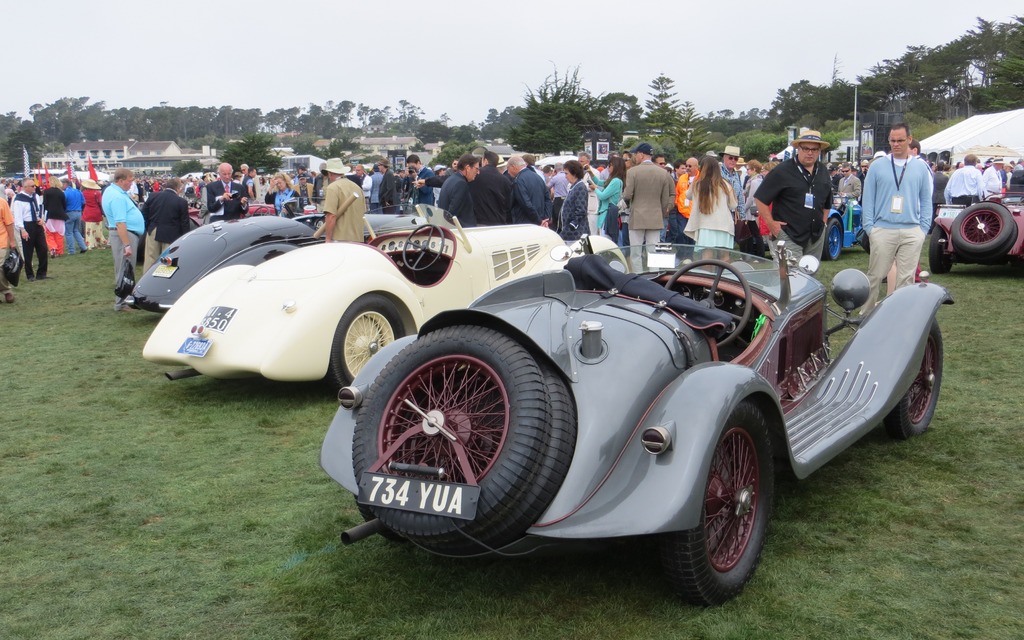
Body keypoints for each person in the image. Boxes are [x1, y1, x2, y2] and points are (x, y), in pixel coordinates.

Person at [860, 123, 932, 312]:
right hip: (883, 229)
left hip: (912, 230)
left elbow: (926, 199)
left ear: (909, 140)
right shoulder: (877, 166)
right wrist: (870, 229)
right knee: (875, 275)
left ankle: (899, 316)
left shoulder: (920, 167)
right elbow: (868, 200)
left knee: (906, 278)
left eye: (900, 140)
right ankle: (864, 315)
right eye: (892, 140)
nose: (896, 144)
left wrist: (923, 229)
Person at [754, 130, 833, 260]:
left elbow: (827, 201)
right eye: (806, 148)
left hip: (815, 237)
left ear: (819, 151)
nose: (810, 152)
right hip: (788, 235)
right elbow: (760, 198)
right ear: (798, 149)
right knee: (790, 278)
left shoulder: (823, 171)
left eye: (814, 149)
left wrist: (823, 224)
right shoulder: (782, 171)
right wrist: (771, 224)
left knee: (809, 277)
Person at [102, 168, 146, 311]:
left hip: (125, 233)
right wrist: (127, 244)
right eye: (129, 180)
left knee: (124, 267)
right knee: (125, 268)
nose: (131, 183)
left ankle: (125, 299)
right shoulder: (117, 197)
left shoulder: (113, 192)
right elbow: (120, 222)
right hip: (125, 234)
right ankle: (122, 302)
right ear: (121, 180)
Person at [622, 142, 676, 247]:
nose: (635, 156)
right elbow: (670, 194)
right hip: (655, 217)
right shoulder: (663, 173)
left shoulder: (632, 172)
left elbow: (627, 195)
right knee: (652, 251)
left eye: (636, 154)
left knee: (635, 251)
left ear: (641, 155)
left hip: (637, 217)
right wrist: (666, 209)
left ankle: (637, 265)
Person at [684, 156, 738, 249]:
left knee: (707, 256)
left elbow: (688, 195)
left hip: (705, 225)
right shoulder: (725, 184)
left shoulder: (697, 184)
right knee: (724, 257)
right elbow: (733, 205)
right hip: (723, 224)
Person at [141, 177, 190, 272]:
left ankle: (147, 282)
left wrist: (149, 227)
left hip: (154, 230)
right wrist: (184, 238)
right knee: (168, 261)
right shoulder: (181, 202)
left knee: (150, 258)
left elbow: (144, 213)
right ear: (178, 188)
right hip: (171, 233)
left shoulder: (153, 196)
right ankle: (164, 282)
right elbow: (184, 223)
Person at [321, 158, 367, 243]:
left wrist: (328, 239)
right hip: (358, 238)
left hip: (340, 239)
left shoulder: (332, 187)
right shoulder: (357, 188)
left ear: (329, 173)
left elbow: (331, 216)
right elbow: (363, 213)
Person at [12, 178, 48, 281]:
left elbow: (40, 208)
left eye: (34, 185)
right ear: (25, 187)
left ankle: (42, 273)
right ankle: (30, 275)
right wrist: (22, 229)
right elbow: (18, 216)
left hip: (37, 224)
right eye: (32, 186)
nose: (34, 187)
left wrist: (41, 219)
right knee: (28, 251)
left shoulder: (35, 196)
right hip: (27, 225)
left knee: (43, 249)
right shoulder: (19, 199)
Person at [469, 150, 512, 226]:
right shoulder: (505, 180)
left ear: (485, 161)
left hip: (479, 221)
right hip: (499, 221)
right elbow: (508, 204)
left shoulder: (475, 175)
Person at [507, 155, 551, 226]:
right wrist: (546, 218)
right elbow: (547, 199)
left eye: (508, 169)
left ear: (513, 167)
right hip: (540, 219)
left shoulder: (518, 181)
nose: (508, 172)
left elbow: (526, 203)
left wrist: (539, 220)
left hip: (525, 221)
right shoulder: (538, 177)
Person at [437, 154, 479, 226]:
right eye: (476, 169)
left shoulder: (451, 179)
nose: (478, 172)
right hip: (462, 231)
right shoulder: (461, 184)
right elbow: (452, 214)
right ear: (468, 168)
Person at [592, 156, 626, 239]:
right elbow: (600, 182)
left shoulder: (615, 181)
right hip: (607, 213)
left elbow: (602, 196)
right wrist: (590, 173)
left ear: (615, 167)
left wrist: (595, 188)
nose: (608, 167)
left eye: (610, 165)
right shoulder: (615, 180)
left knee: (605, 240)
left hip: (607, 214)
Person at [559, 160, 589, 242]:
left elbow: (581, 210)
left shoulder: (580, 187)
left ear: (574, 173)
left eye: (566, 173)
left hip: (576, 232)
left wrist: (572, 225)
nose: (565, 176)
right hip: (571, 231)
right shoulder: (574, 186)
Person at [741, 159, 765, 256]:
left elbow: (751, 198)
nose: (747, 171)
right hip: (755, 210)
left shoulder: (754, 181)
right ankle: (753, 253)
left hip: (752, 211)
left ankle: (759, 254)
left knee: (755, 234)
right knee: (753, 233)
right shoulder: (759, 179)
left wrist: (744, 209)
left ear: (754, 169)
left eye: (748, 169)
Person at [720, 145, 746, 229]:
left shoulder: (737, 175)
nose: (733, 160)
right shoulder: (717, 173)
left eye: (736, 159)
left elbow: (740, 196)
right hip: (720, 214)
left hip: (734, 215)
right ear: (724, 158)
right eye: (730, 158)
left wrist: (742, 217)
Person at [42, 179, 68, 257]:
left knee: (49, 233)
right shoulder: (61, 193)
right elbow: (64, 204)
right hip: (60, 215)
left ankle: (53, 248)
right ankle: (59, 251)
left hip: (50, 214)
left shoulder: (46, 191)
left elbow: (45, 203)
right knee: (59, 233)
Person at [63, 178, 87, 255]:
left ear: (65, 184)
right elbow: (83, 202)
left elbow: (63, 202)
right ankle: (83, 247)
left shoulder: (66, 193)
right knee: (76, 230)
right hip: (78, 212)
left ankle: (71, 250)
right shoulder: (78, 191)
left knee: (69, 232)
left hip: (70, 212)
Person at [81, 179, 106, 249]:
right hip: (96, 212)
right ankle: (98, 241)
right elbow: (101, 203)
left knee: (89, 229)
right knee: (98, 228)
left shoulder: (83, 193)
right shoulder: (97, 193)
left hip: (87, 212)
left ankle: (90, 243)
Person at [0, 194, 17, 302]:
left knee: (0, 267)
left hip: (1, 239)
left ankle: (6, 291)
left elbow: (9, 223)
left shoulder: (2, 202)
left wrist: (12, 240)